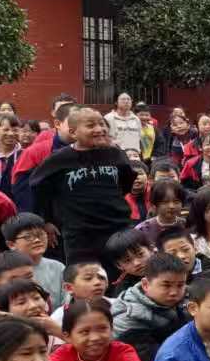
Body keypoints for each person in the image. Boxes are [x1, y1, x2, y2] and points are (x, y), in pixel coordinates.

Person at [28, 107, 134, 266]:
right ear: (73, 132)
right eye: (91, 126)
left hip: (118, 227)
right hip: (80, 234)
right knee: (85, 277)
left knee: (123, 272)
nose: (99, 129)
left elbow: (126, 181)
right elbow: (38, 189)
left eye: (102, 124)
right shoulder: (59, 159)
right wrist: (46, 220)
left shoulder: (116, 154)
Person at [113, 252, 191, 361]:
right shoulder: (128, 317)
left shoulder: (189, 299)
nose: (174, 292)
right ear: (145, 284)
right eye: (166, 285)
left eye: (180, 285)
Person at [1, 213, 65, 309]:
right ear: (11, 245)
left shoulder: (58, 267)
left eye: (41, 234)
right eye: (28, 237)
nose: (37, 240)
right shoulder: (5, 270)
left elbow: (67, 303)